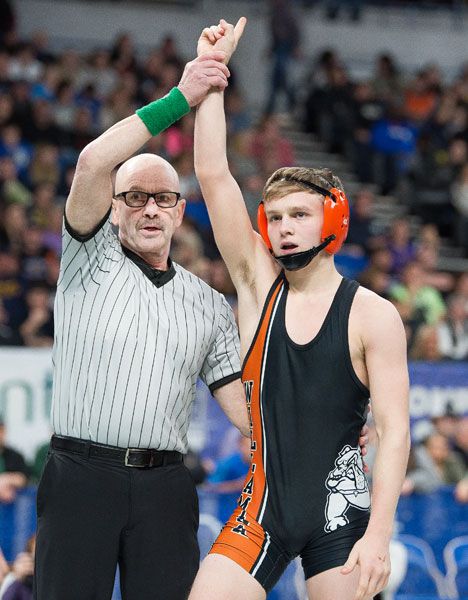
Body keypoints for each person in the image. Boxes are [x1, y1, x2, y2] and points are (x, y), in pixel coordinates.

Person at [190, 19, 410, 600]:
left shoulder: (373, 315)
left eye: (300, 215)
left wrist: (380, 535)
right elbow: (214, 176)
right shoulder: (257, 286)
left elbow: (393, 430)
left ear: (333, 222)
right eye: (276, 217)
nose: (285, 229)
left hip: (341, 512)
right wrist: (211, 78)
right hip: (261, 506)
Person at [33, 51, 250, 600]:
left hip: (167, 487)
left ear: (180, 211)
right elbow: (91, 160)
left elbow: (245, 411)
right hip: (80, 476)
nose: (150, 210)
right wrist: (183, 98)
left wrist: (325, 433)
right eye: (135, 197)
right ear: (112, 206)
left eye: (163, 199)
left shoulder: (207, 303)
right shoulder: (88, 255)